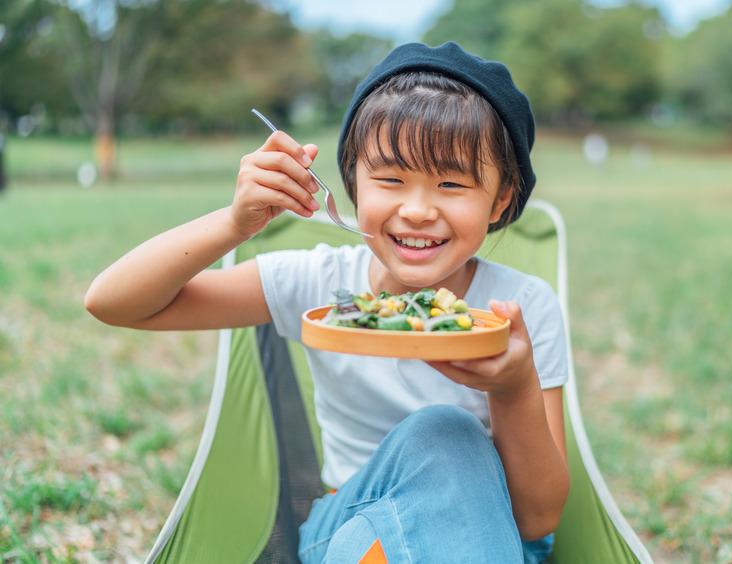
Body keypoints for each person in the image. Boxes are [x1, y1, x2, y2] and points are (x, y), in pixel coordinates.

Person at [84, 41, 570, 563]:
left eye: (451, 183)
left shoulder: (520, 307)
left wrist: (513, 387)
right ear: (354, 184)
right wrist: (232, 224)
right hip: (350, 524)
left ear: (500, 198)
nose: (417, 210)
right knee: (442, 431)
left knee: (448, 434)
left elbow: (537, 519)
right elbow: (114, 302)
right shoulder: (320, 283)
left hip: (487, 532)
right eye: (389, 179)